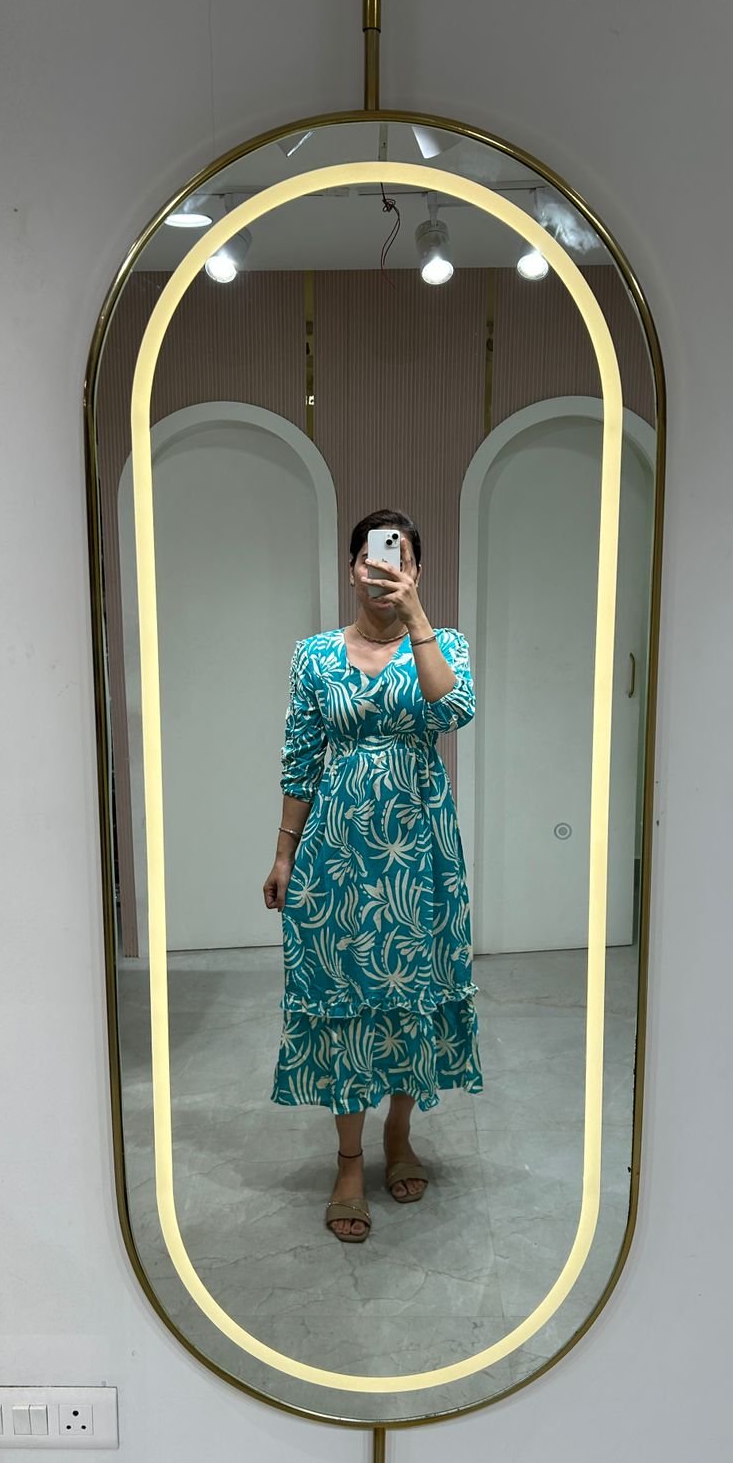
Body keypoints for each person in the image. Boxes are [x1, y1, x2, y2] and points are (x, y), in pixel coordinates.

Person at [263, 508, 482, 1243]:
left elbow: (453, 709)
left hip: (420, 852)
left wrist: (416, 618)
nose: (384, 569)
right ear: (352, 567)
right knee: (343, 996)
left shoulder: (444, 644)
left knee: (411, 991)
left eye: (400, 559)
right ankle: (349, 1161)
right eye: (372, 557)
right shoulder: (314, 656)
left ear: (416, 571)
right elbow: (300, 757)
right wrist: (284, 852)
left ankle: (399, 1133)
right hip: (337, 851)